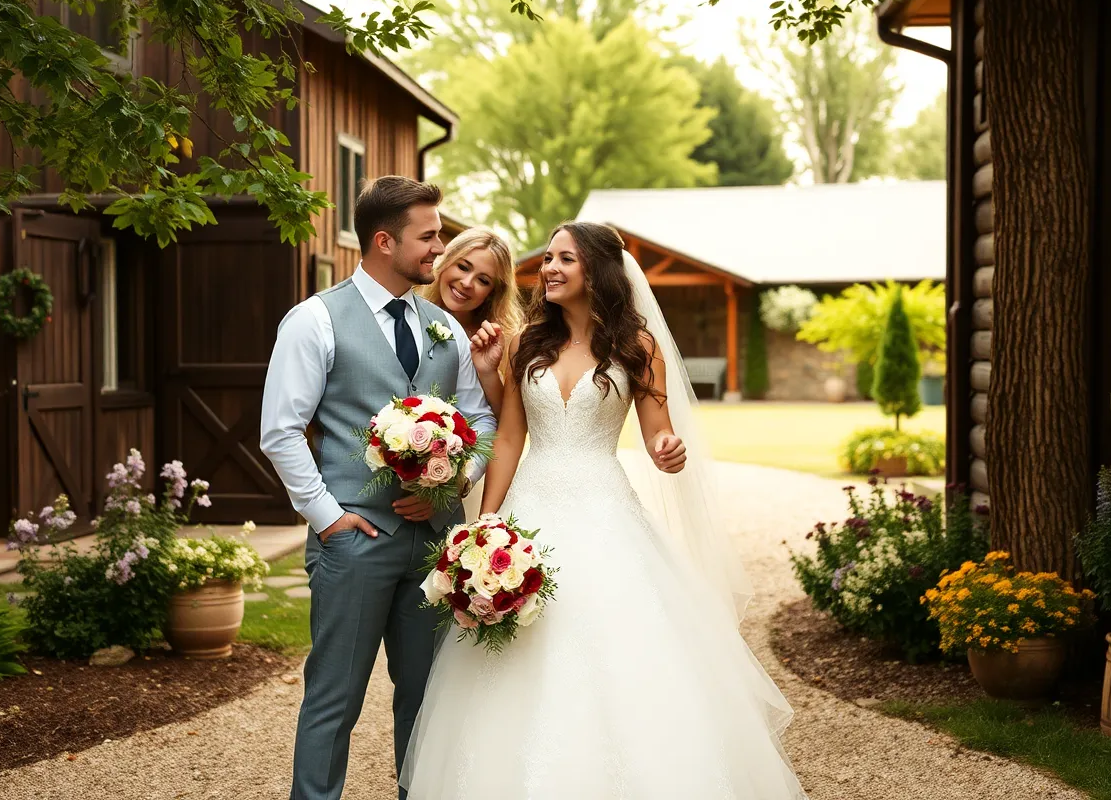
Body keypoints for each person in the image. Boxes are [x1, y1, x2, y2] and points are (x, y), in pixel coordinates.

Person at [400, 222, 807, 799]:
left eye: (566, 259)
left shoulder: (638, 347)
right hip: (529, 510)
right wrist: (484, 525)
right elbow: (511, 438)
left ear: (598, 270)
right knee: (514, 647)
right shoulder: (526, 343)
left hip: (605, 511)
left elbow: (658, 434)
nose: (550, 269)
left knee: (619, 645)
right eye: (549, 259)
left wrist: (668, 451)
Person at [259, 176, 497, 800]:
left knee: (426, 699)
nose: (439, 249)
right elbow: (281, 431)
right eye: (429, 236)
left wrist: (456, 479)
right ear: (384, 241)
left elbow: (482, 421)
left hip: (432, 546)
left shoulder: (444, 326)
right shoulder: (314, 320)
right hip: (353, 543)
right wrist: (327, 518)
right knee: (334, 697)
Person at [417, 226, 522, 518]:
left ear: (492, 292)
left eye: (483, 280)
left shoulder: (498, 340)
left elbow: (507, 422)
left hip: (461, 478)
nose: (466, 283)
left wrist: (487, 372)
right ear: (446, 260)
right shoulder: (406, 311)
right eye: (463, 267)